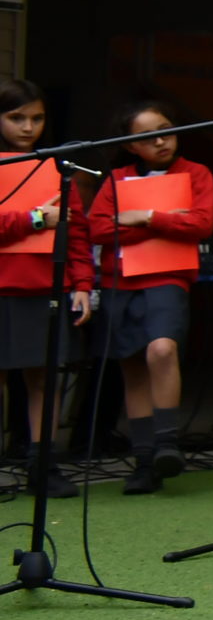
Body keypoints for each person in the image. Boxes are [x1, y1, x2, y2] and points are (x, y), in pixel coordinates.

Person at [87, 100, 213, 495]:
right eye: (147, 137)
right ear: (130, 145)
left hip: (167, 276)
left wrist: (144, 216)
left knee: (162, 349)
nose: (161, 141)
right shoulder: (116, 179)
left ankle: (167, 442)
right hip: (119, 280)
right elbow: (98, 229)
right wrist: (168, 221)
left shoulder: (196, 173)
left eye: (166, 130)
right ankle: (145, 461)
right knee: (132, 365)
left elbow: (201, 223)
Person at [0, 80, 93, 498]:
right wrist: (35, 219)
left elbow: (77, 232)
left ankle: (43, 466)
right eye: (16, 117)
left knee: (44, 378)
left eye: (36, 118)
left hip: (44, 286)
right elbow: (42, 220)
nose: (27, 127)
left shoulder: (58, 168)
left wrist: (82, 283)